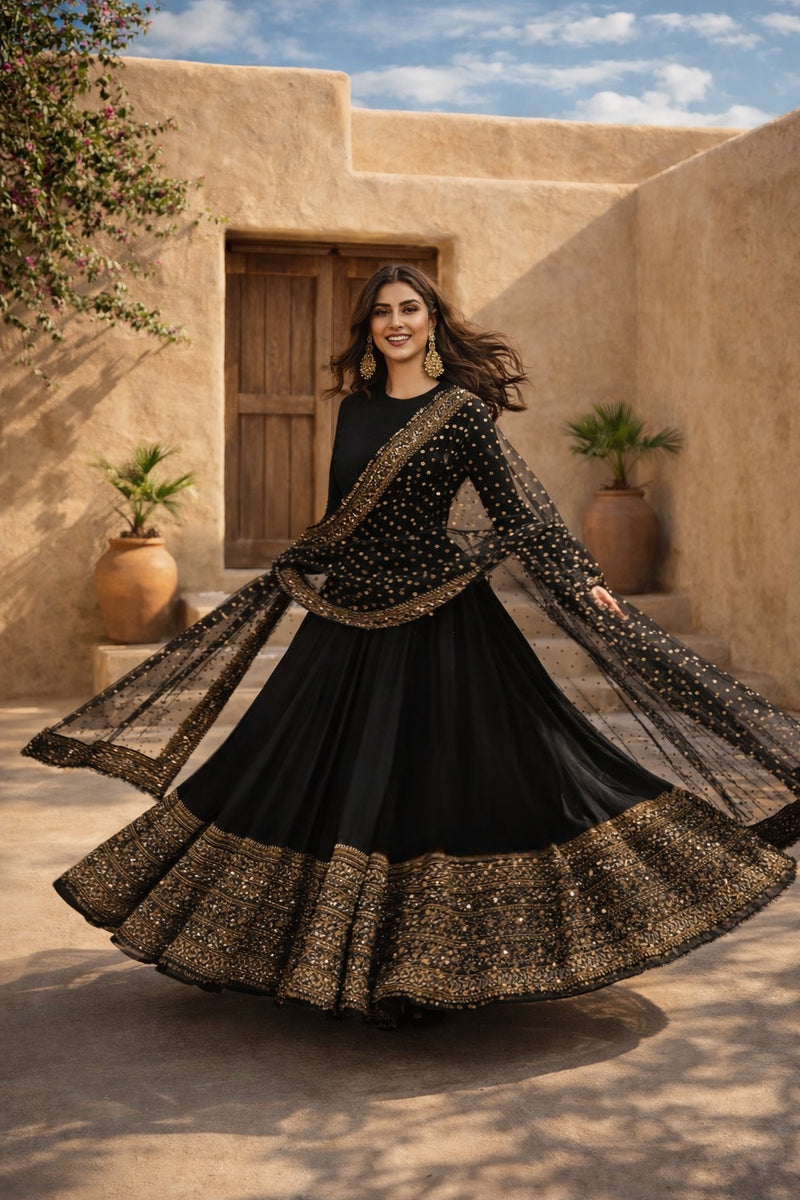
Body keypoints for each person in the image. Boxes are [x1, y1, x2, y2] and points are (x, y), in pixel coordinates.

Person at [23, 264, 800, 1028]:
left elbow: (518, 508)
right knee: (286, 767)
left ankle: (425, 969)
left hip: (443, 623)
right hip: (350, 621)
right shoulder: (355, 412)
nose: (396, 321)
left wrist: (577, 575)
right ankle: (330, 960)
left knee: (480, 778)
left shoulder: (461, 411)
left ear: (431, 322)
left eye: (410, 308)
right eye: (382, 312)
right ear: (368, 328)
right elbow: (340, 514)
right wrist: (298, 568)